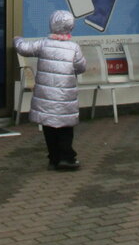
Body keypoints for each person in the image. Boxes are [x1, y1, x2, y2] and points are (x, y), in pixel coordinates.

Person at [14, 9, 87, 171]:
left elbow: (24, 48)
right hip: (65, 95)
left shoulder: (43, 44)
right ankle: (67, 158)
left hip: (46, 95)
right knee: (66, 127)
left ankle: (54, 158)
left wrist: (17, 40)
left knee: (49, 127)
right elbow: (81, 67)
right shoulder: (74, 48)